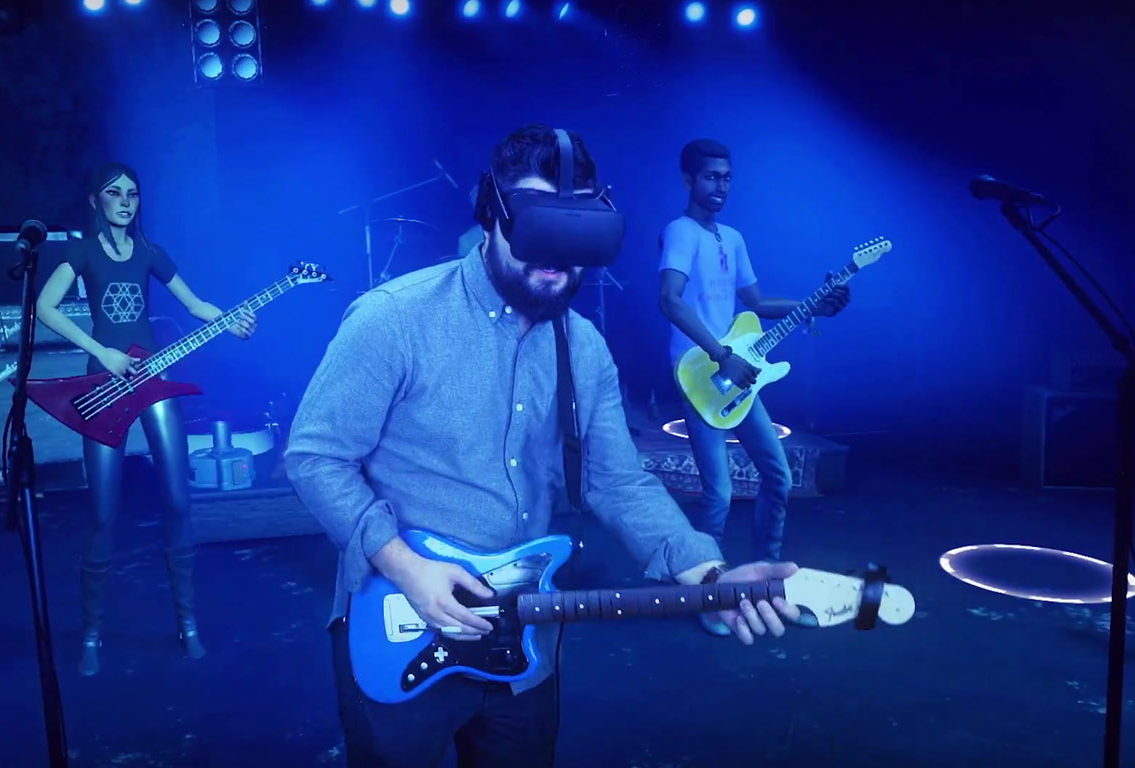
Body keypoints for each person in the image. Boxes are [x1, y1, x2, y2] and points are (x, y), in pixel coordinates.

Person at [285, 126, 801, 768]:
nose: (556, 250)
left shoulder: (582, 346)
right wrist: (404, 565)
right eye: (537, 221)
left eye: (575, 224)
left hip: (524, 641)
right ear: (491, 214)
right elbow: (315, 456)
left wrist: (712, 576)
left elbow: (617, 482)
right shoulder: (394, 319)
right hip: (399, 622)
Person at [34, 162, 258, 676]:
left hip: (153, 375)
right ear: (95, 200)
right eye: (114, 193)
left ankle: (188, 624)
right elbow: (46, 307)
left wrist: (231, 320)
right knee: (103, 513)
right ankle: (92, 633)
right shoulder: (82, 251)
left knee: (178, 500)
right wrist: (102, 353)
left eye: (132, 194)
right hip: (103, 380)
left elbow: (196, 304)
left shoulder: (150, 252)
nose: (125, 202)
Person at [657, 139, 849, 637]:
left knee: (777, 477)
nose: (720, 185)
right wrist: (722, 355)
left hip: (738, 371)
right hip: (699, 374)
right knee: (718, 493)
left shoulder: (733, 238)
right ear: (688, 180)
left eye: (726, 177)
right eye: (710, 176)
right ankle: (710, 596)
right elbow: (670, 301)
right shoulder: (680, 232)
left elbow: (757, 305)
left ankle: (765, 583)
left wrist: (816, 305)